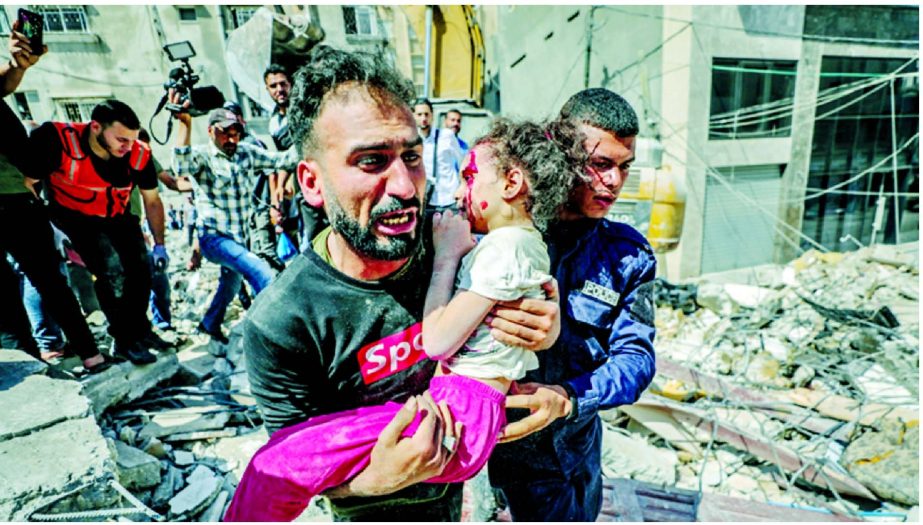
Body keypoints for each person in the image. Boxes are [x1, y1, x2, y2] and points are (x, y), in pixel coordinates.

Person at [233, 45, 561, 522]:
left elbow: (525, 281)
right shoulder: (281, 323)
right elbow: (301, 468)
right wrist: (376, 481)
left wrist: (542, 330)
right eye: (371, 161)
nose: (405, 187)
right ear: (311, 183)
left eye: (411, 156)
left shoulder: (454, 238)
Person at [487, 88, 657, 521]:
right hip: (484, 458)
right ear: (560, 151)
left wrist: (568, 398)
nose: (615, 182)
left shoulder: (626, 257)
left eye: (624, 167)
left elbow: (636, 358)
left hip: (567, 462)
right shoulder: (497, 233)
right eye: (600, 164)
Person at [26, 94, 170, 366]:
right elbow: (28, 181)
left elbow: (152, 200)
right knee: (111, 272)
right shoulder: (58, 140)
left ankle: (140, 331)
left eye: (131, 138)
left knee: (141, 269)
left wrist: (159, 245)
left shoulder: (137, 154)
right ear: (95, 128)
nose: (128, 146)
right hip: (73, 219)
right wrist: (45, 224)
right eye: (121, 140)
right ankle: (125, 340)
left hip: (116, 215)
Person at [170, 105, 299, 344]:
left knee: (231, 284)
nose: (231, 139)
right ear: (210, 131)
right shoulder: (202, 156)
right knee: (262, 272)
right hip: (214, 237)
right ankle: (277, 335)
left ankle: (210, 324)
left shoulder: (247, 153)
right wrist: (184, 124)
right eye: (225, 133)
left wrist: (307, 133)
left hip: (239, 238)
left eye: (235, 133)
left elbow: (284, 159)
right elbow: (181, 167)